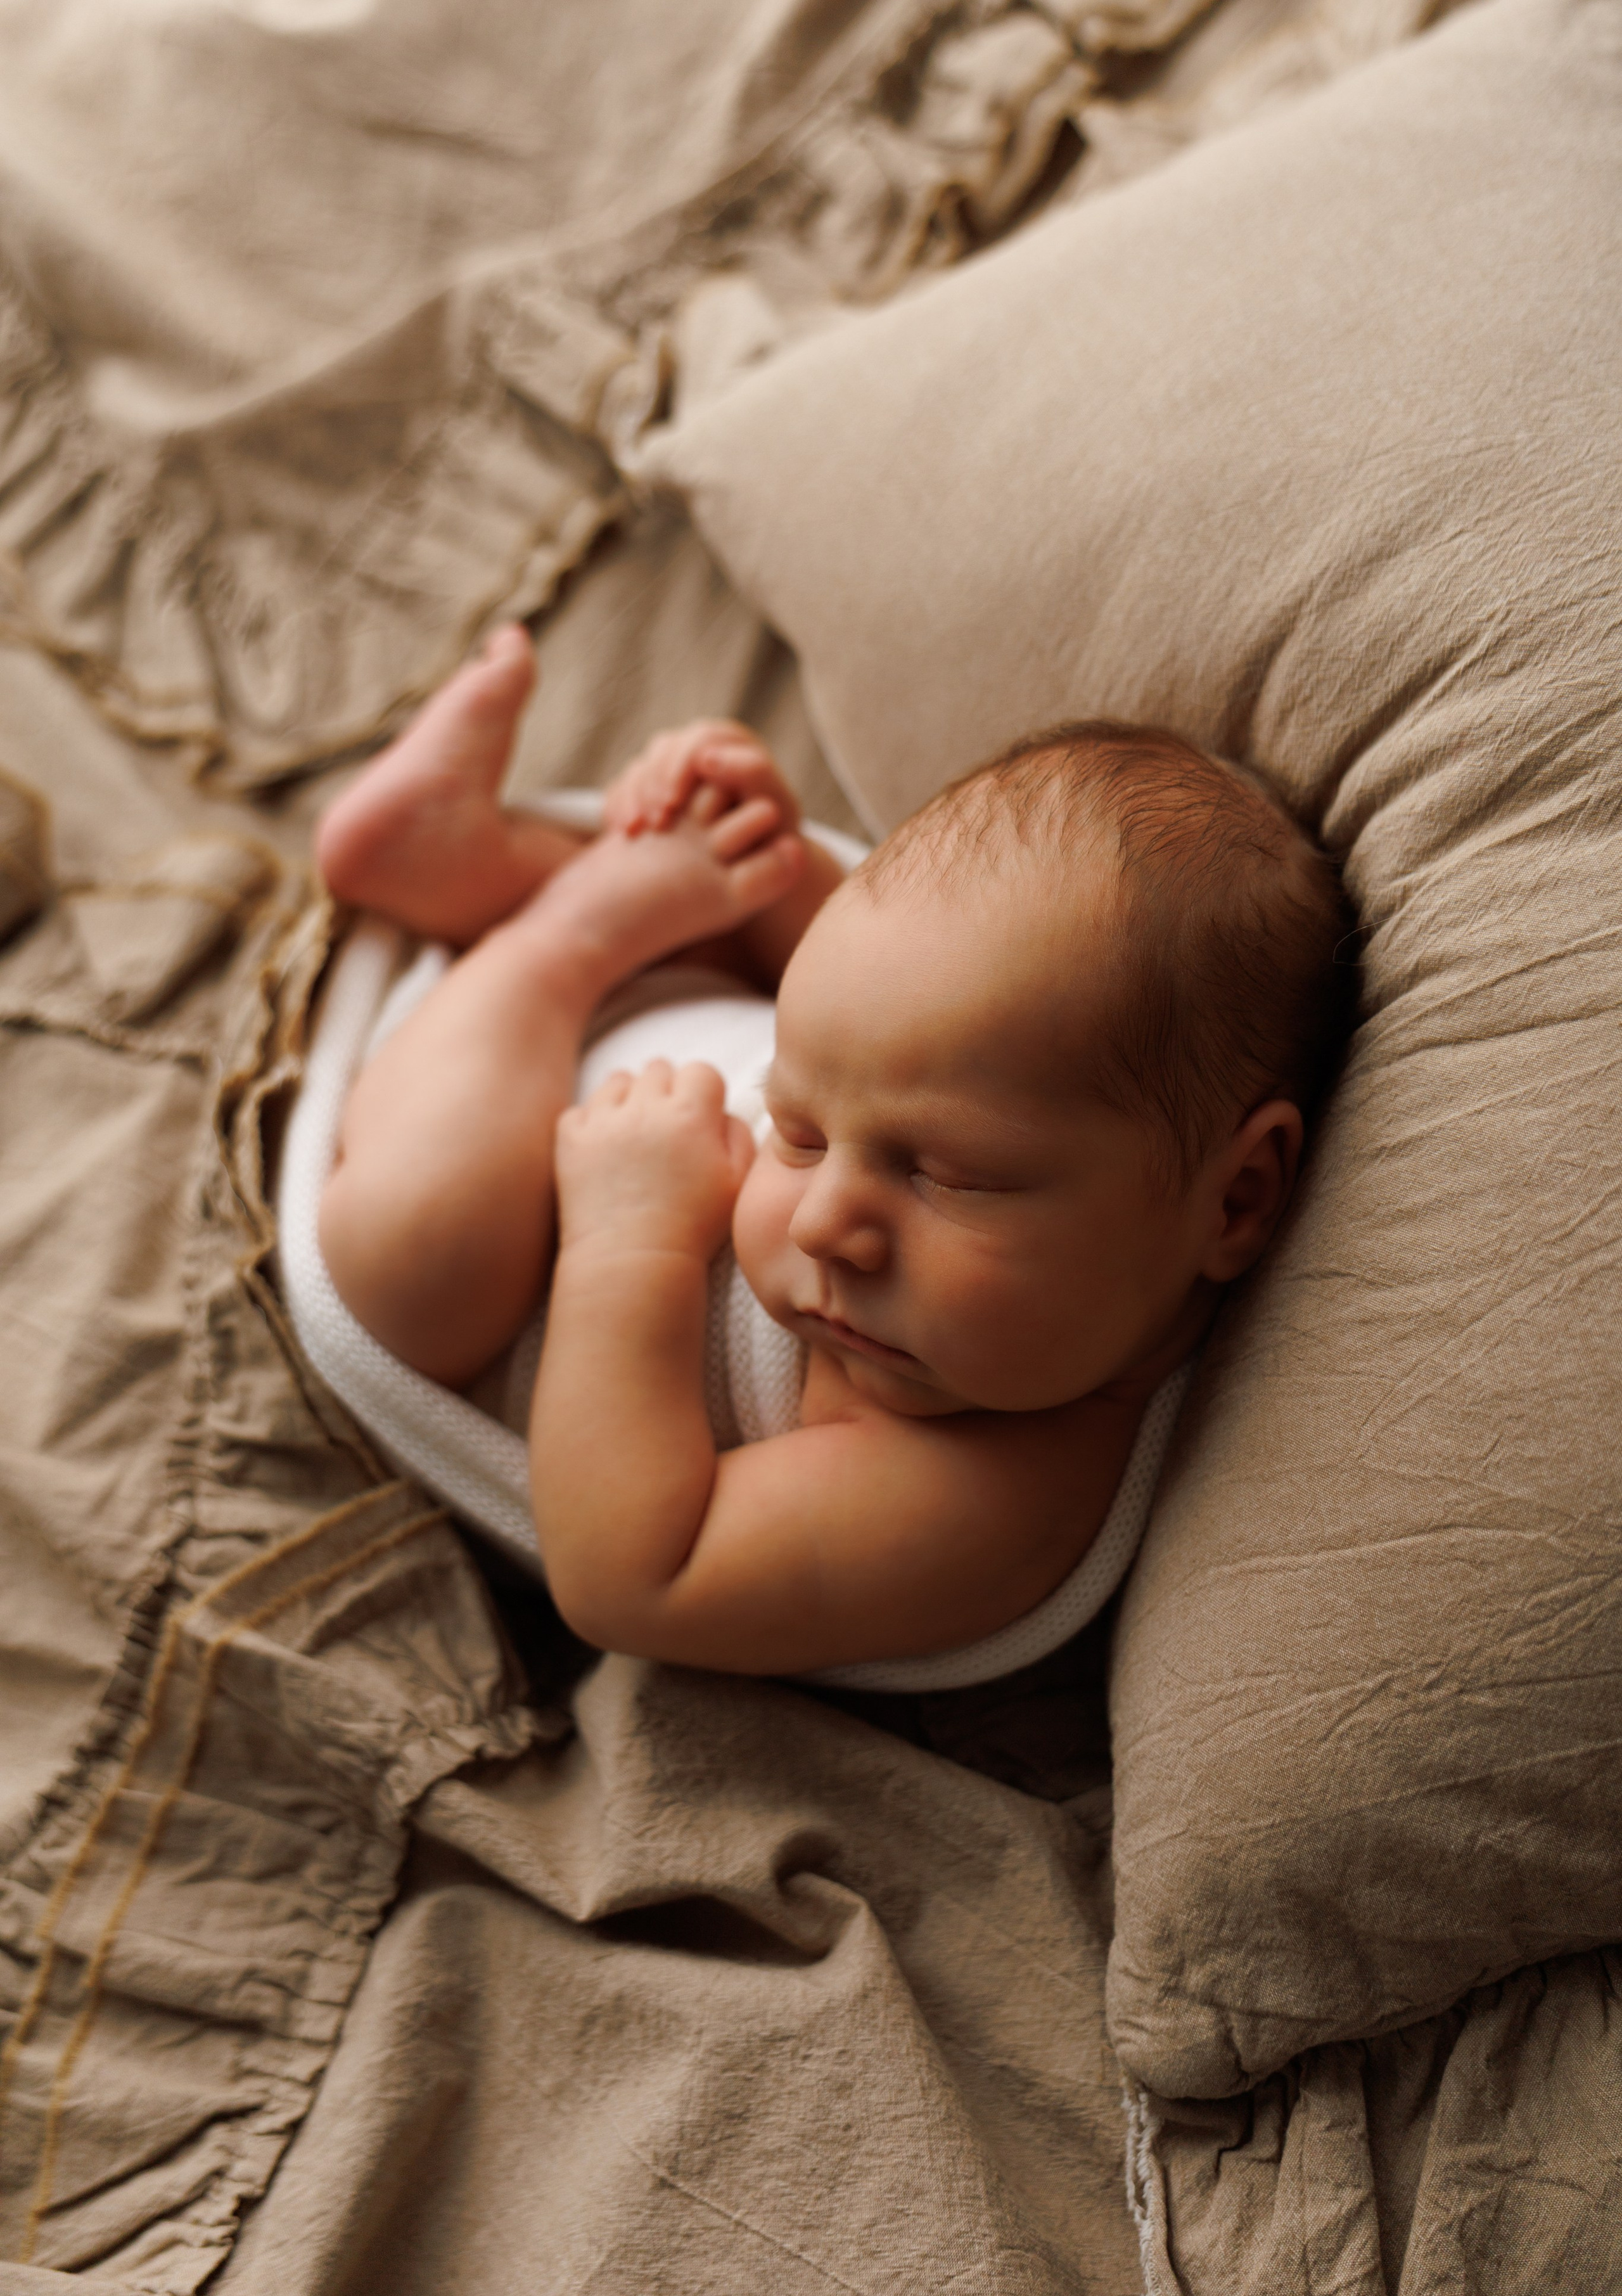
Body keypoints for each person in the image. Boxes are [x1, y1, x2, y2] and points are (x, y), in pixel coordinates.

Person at [314, 624, 1354, 1677]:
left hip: (532, 1197)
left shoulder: (989, 1497)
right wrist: (770, 854)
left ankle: (553, 941)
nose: (818, 1222)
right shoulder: (974, 1098)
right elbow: (871, 1002)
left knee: (421, 1266)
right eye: (799, 1131)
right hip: (667, 1017)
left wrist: (628, 1244)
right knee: (721, 901)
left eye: (948, 1176)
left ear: (1237, 1200)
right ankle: (468, 865)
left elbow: (635, 1577)